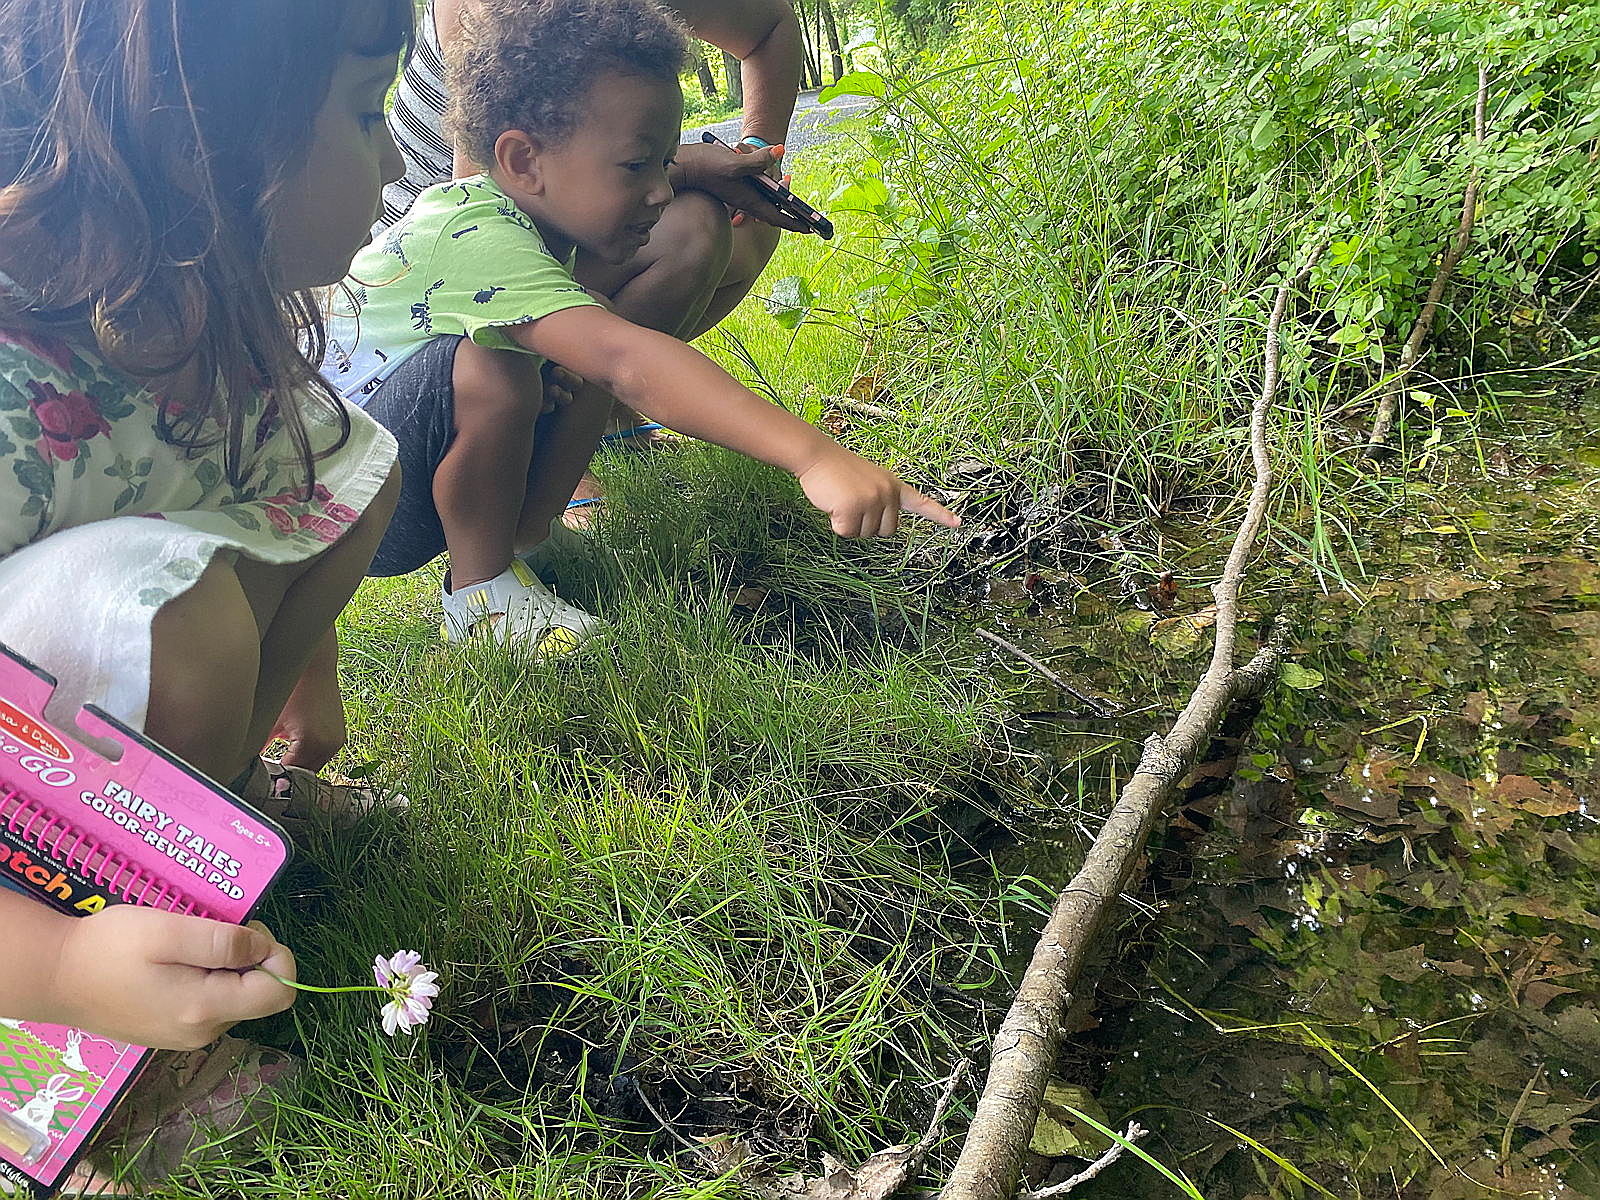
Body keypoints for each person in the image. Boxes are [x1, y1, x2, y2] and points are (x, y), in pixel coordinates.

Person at [0, 0, 412, 1182]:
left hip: (65, 732)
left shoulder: (173, 309)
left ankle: (212, 829)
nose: (392, 160)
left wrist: (302, 685)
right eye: (363, 107)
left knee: (352, 462)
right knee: (168, 608)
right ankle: (95, 1056)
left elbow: (278, 476)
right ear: (202, 140)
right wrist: (59, 968)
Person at [325, 0, 959, 654]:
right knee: (513, 365)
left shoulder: (525, 201)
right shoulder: (471, 231)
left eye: (663, 163)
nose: (660, 191)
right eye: (639, 166)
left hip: (405, 462)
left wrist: (696, 163)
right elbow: (629, 360)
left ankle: (528, 551)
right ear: (521, 161)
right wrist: (814, 455)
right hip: (355, 502)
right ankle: (482, 598)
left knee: (566, 364)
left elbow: (589, 180)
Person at [385, 0, 807, 355]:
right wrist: (691, 168)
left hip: (537, 217)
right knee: (690, 229)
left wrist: (755, 152)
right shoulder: (487, 15)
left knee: (751, 222)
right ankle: (565, 389)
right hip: (442, 270)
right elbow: (493, 217)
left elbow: (771, 26)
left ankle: (595, 404)